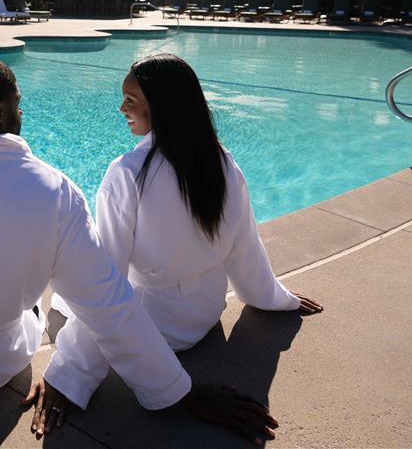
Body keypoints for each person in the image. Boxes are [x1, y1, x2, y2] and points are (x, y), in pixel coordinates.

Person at [0, 57, 278, 443]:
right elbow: (105, 300)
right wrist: (175, 390)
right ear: (0, 112)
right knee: (50, 295)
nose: (23, 111)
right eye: (18, 104)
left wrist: (75, 375)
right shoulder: (56, 192)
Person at [38, 53, 323, 431]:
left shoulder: (128, 174)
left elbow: (107, 284)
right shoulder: (221, 160)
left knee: (65, 299)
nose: (121, 107)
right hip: (203, 314)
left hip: (154, 330)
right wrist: (273, 297)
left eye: (131, 100)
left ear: (162, 107)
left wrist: (68, 374)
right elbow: (244, 245)